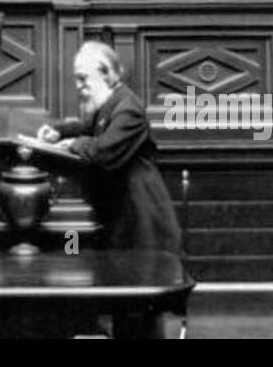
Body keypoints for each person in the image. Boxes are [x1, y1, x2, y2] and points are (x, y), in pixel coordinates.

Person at [35, 42, 182, 255]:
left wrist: (73, 144)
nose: (78, 85)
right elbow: (88, 127)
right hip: (121, 208)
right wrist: (59, 131)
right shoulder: (111, 102)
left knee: (140, 278)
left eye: (83, 78)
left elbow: (103, 152)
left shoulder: (128, 108)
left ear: (105, 73)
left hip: (139, 213)